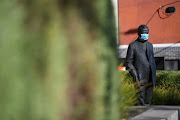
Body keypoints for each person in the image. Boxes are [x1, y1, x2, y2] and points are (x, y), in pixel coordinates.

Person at [125, 25, 156, 106]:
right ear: (139, 33)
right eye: (144, 33)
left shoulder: (150, 45)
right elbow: (129, 62)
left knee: (148, 99)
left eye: (147, 33)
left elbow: (151, 60)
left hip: (150, 77)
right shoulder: (133, 45)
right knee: (140, 100)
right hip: (139, 77)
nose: (146, 34)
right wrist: (135, 75)